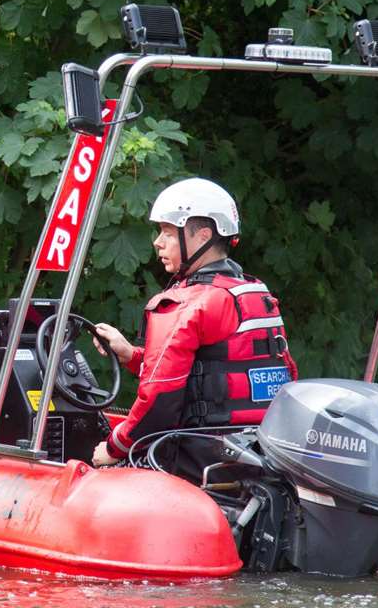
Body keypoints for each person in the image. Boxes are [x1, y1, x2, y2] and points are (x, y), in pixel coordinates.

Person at [90, 177, 298, 476]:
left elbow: (160, 400)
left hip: (199, 461)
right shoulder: (255, 293)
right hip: (258, 453)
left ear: (201, 236)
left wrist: (113, 447)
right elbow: (211, 374)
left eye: (167, 233)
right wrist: (132, 356)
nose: (157, 242)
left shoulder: (186, 303)